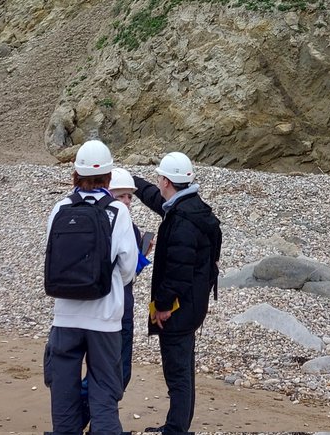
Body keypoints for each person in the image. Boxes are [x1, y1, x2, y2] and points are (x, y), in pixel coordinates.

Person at [44, 140, 138, 435]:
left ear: (76, 173)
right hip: (105, 318)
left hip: (65, 315)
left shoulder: (61, 207)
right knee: (104, 392)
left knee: (63, 394)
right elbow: (127, 266)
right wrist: (106, 286)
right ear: (109, 176)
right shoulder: (116, 211)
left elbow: (50, 255)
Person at [133, 152, 222, 435]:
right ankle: (177, 425)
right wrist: (131, 183)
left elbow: (177, 272)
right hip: (193, 304)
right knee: (182, 368)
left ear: (167, 181)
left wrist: (162, 306)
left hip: (181, 308)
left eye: (160, 177)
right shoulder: (189, 207)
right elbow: (156, 199)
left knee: (178, 372)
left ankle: (176, 429)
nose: (157, 181)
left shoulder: (182, 221)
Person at [78, 167, 152, 429]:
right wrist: (142, 256)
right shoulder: (124, 225)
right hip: (117, 312)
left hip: (91, 310)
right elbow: (126, 274)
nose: (128, 202)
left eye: (130, 197)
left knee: (107, 373)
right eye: (122, 196)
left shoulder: (86, 218)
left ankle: (80, 422)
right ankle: (90, 423)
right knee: (115, 375)